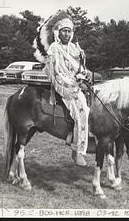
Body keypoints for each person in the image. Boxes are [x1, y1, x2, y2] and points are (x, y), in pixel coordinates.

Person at [43, 11, 91, 166]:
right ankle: (77, 151)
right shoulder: (54, 49)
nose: (67, 34)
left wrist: (84, 75)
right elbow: (56, 72)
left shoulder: (75, 48)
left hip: (77, 83)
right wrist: (76, 84)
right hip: (64, 85)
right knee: (82, 109)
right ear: (58, 32)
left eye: (69, 31)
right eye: (64, 31)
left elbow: (81, 68)